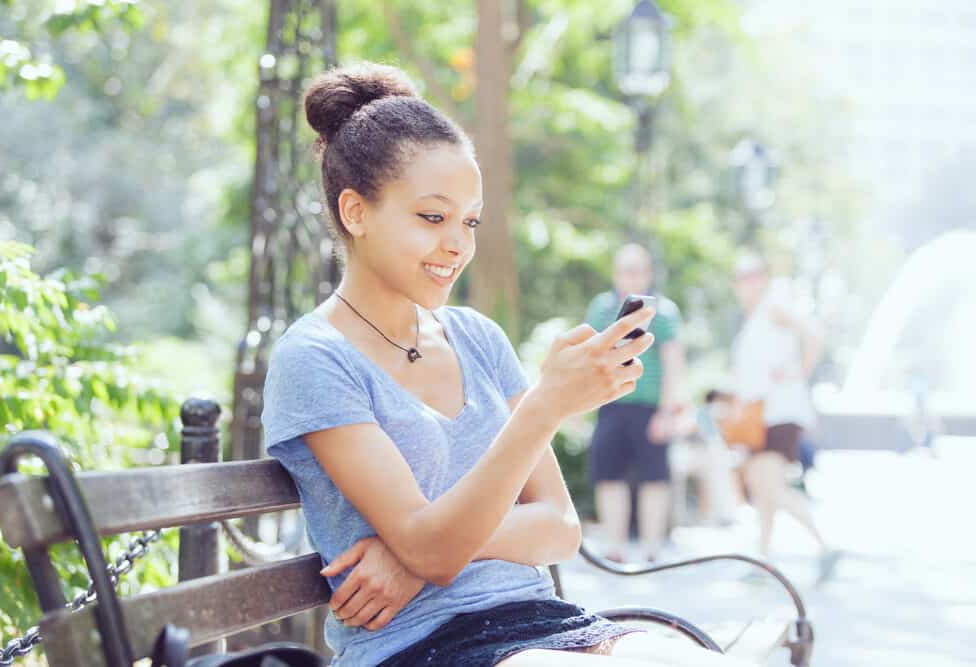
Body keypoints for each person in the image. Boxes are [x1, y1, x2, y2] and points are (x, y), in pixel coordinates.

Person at [261, 62, 755, 666]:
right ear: (356, 212)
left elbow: (559, 527)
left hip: (547, 623)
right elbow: (435, 547)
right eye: (433, 217)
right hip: (420, 647)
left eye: (470, 221)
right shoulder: (315, 360)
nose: (459, 244)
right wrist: (544, 407)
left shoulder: (475, 336)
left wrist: (416, 554)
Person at [730, 254, 837, 580]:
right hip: (761, 415)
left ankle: (825, 546)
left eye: (753, 275)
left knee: (772, 489)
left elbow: (815, 333)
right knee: (764, 491)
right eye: (741, 277)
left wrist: (798, 372)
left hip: (778, 412)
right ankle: (763, 562)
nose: (747, 283)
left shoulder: (774, 307)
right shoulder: (755, 319)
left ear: (763, 278)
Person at [584, 244, 686, 563]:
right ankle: (614, 546)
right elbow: (590, 353)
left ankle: (651, 548)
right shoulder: (601, 308)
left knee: (654, 478)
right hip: (610, 404)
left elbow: (673, 363)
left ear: (648, 273)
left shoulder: (665, 312)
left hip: (650, 407)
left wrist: (667, 412)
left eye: (639, 269)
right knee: (608, 475)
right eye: (627, 269)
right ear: (616, 273)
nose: (633, 276)